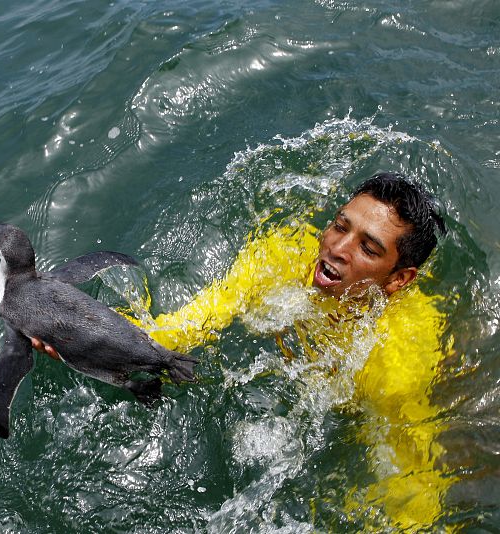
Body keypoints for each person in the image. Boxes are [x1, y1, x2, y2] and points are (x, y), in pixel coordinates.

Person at [33, 172, 452, 529]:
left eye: (368, 248)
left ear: (398, 280)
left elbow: (413, 481)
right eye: (340, 226)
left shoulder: (398, 357)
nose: (337, 249)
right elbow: (187, 325)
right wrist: (84, 334)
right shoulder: (283, 254)